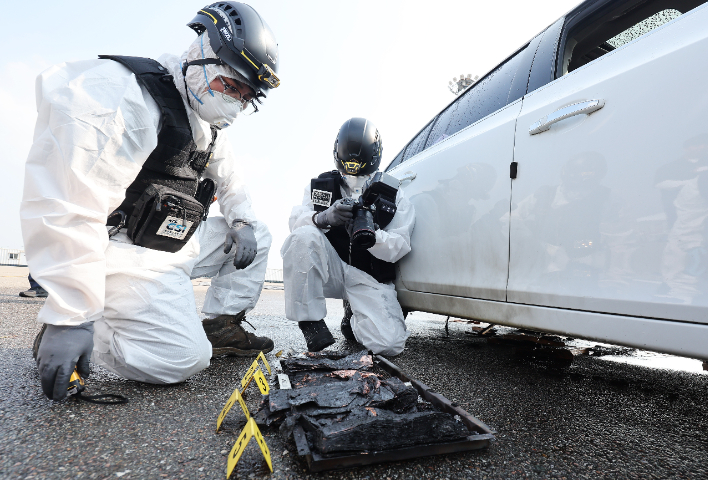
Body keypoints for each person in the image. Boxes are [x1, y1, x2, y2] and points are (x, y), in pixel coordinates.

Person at [21, 2, 281, 401]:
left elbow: (232, 185)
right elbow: (71, 201)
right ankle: (93, 318)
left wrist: (243, 223)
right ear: (199, 56)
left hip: (173, 238)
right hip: (124, 248)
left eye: (246, 97)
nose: (235, 103)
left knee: (257, 233)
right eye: (231, 86)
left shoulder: (209, 127)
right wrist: (70, 315)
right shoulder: (123, 94)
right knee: (184, 360)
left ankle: (223, 325)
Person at [281, 118, 416, 355]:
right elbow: (296, 223)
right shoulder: (320, 186)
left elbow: (400, 246)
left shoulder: (394, 196)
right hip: (331, 269)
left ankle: (354, 318)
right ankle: (310, 322)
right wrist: (323, 218)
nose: (352, 175)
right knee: (303, 236)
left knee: (390, 345)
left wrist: (373, 236)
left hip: (368, 275)